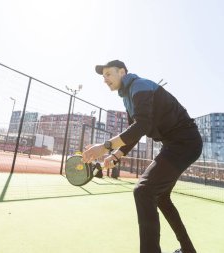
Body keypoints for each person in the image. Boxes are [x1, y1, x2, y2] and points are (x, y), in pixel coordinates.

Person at [82, 60, 202, 253]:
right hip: (176, 144)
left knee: (143, 191)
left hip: (184, 143)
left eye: (108, 74)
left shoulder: (139, 85)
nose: (105, 79)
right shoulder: (128, 96)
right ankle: (188, 250)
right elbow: (135, 131)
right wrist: (115, 155)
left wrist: (104, 147)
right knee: (160, 197)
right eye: (103, 76)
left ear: (122, 72)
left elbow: (142, 126)